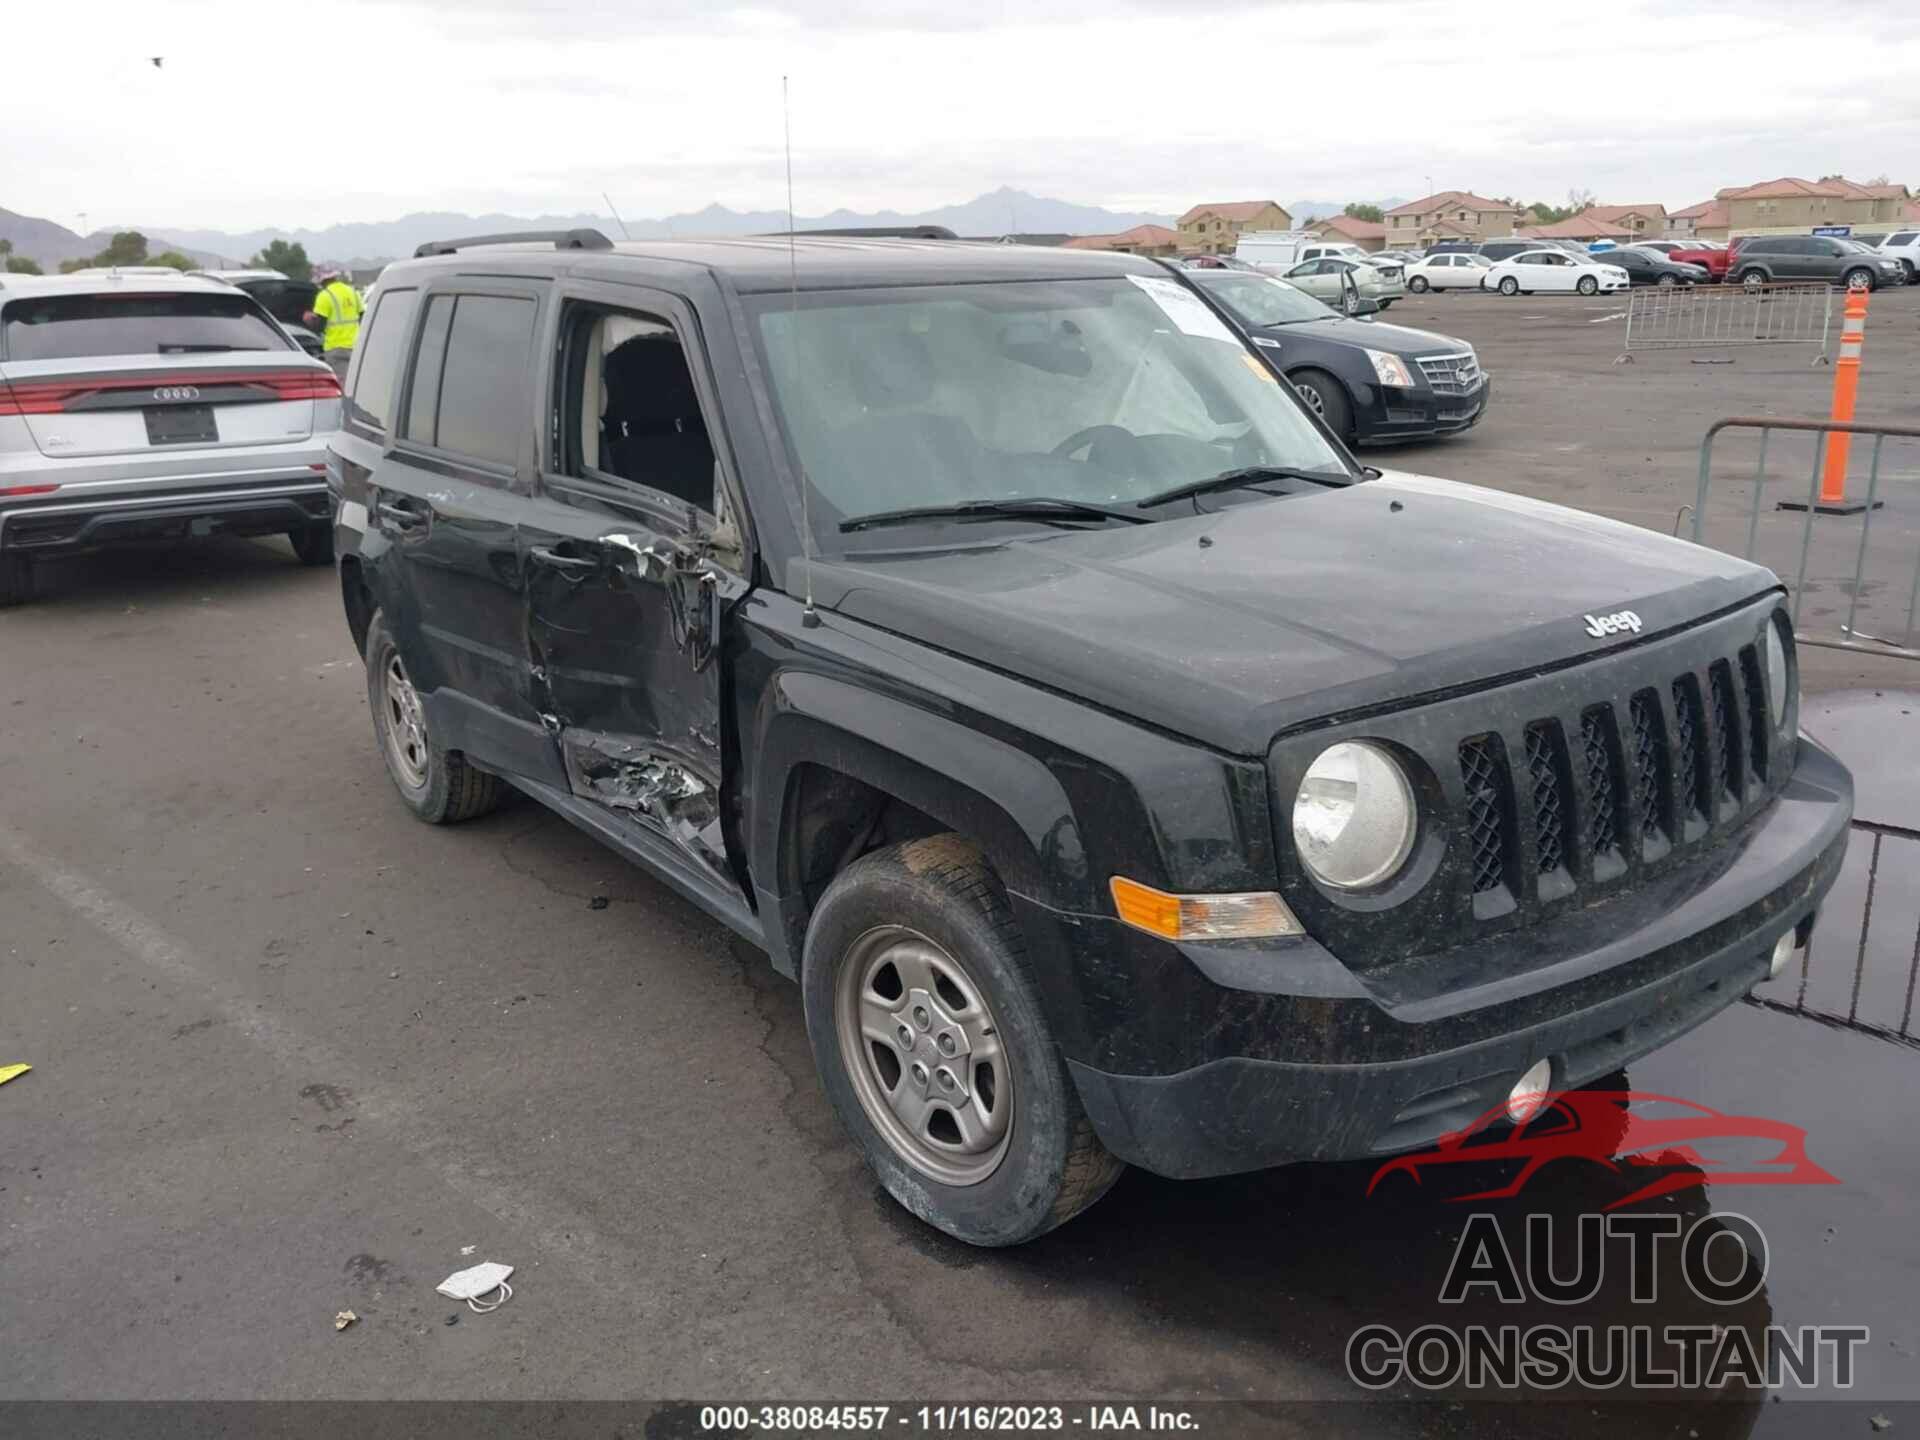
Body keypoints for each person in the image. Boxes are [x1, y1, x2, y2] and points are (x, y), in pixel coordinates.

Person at [303, 265, 363, 381]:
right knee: (356, 383)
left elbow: (319, 327)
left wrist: (308, 319)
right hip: (356, 347)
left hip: (336, 349)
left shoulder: (324, 296)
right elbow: (363, 317)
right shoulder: (352, 292)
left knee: (342, 387)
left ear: (321, 280)